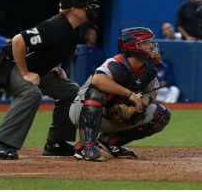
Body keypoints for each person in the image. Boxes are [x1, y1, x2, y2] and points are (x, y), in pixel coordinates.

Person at [0, 0, 100, 160]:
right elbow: (18, 41)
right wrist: (25, 73)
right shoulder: (55, 25)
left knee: (71, 90)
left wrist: (56, 67)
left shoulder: (74, 28)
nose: (91, 9)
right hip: (11, 66)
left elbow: (58, 50)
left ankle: (56, 143)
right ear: (75, 10)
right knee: (31, 93)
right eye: (87, 6)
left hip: (36, 69)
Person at [69, 27, 171, 161]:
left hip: (111, 113)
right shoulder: (116, 64)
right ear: (133, 46)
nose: (151, 45)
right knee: (97, 91)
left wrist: (144, 102)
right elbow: (98, 80)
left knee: (161, 115)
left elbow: (153, 91)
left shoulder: (149, 68)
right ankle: (86, 145)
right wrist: (129, 94)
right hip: (82, 110)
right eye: (146, 42)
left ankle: (110, 143)